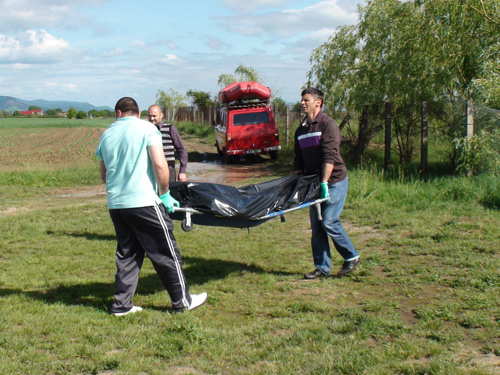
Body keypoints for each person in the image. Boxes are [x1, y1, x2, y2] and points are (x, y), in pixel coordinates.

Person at [96, 97, 206, 316]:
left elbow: (103, 175)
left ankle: (121, 305)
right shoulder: (147, 128)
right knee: (166, 251)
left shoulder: (106, 134)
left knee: (128, 253)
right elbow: (159, 163)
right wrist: (164, 194)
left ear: (118, 113)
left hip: (117, 204)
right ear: (138, 113)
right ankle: (183, 301)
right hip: (144, 202)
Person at [293, 88, 360, 279]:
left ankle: (351, 256)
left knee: (329, 221)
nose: (303, 103)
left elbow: (329, 156)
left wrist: (324, 182)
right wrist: (299, 180)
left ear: (318, 103)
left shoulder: (328, 125)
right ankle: (322, 269)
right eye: (302, 100)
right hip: (313, 184)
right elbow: (298, 157)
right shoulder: (301, 129)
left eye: (306, 100)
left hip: (334, 181)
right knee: (317, 227)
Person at [147, 104, 188, 182]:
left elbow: (181, 150)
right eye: (149, 116)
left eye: (154, 116)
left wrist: (182, 171)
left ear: (161, 115)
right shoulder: (146, 130)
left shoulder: (170, 129)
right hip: (151, 171)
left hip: (168, 170)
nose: (152, 118)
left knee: (169, 193)